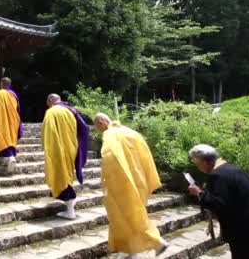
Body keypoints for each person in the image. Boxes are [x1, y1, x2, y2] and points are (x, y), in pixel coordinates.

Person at [94, 113, 168, 258]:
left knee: (128, 217)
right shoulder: (131, 132)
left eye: (98, 127)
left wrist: (106, 182)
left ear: (102, 122)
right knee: (131, 216)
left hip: (123, 183)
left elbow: (111, 160)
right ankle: (132, 252)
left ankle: (157, 242)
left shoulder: (110, 135)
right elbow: (146, 156)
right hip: (139, 181)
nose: (99, 131)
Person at [187, 144, 249, 259]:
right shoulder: (230, 169)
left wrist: (199, 193)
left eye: (197, 164)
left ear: (205, 162)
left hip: (242, 229)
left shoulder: (218, 175)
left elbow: (218, 204)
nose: (198, 168)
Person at [42, 94, 89, 220]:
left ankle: (70, 210)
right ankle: (70, 209)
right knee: (67, 175)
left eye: (48, 103)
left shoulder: (51, 112)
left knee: (61, 176)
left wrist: (48, 149)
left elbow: (48, 133)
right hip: (71, 148)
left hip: (58, 149)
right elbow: (84, 127)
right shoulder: (71, 110)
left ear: (51, 100)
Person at [0, 77, 23, 172]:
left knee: (2, 137)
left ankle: (8, 158)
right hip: (13, 121)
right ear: (10, 85)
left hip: (1, 121)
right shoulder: (13, 95)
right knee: (11, 138)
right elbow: (18, 110)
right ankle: (10, 157)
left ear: (1, 84)